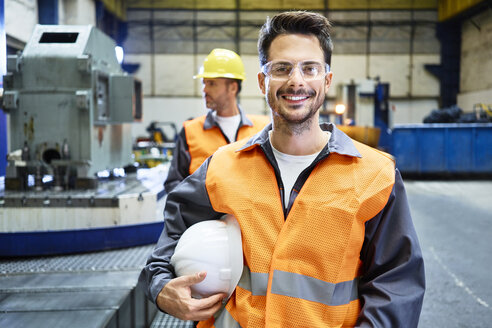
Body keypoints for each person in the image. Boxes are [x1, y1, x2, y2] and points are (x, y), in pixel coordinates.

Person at [140, 11, 425, 327]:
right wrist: (161, 287)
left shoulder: (375, 176)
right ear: (263, 81)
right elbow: (169, 241)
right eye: (282, 68)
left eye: (310, 68)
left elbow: (396, 282)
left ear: (326, 80)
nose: (296, 80)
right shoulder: (221, 169)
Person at [164, 48, 270, 193]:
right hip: (204, 216)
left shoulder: (262, 129)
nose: (204, 90)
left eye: (212, 84)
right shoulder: (191, 131)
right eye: (204, 83)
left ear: (232, 88)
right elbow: (173, 184)